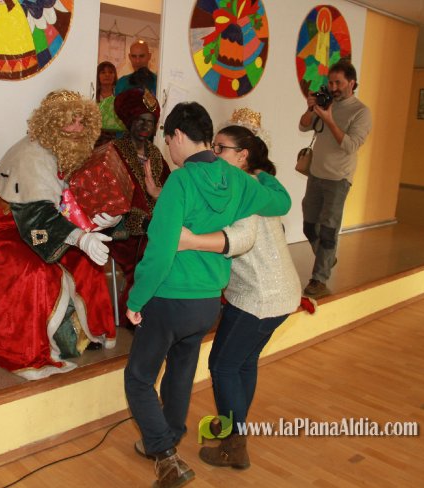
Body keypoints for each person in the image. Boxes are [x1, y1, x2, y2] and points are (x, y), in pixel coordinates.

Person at [123, 102, 291, 488]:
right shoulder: (235, 178)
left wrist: (135, 300)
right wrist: (259, 171)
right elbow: (281, 201)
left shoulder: (181, 181)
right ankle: (169, 434)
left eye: (168, 140)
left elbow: (160, 251)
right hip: (207, 303)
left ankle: (166, 458)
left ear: (179, 136)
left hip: (169, 297)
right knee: (181, 370)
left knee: (139, 378)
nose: (169, 149)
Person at [0, 90, 120, 380]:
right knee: (36, 274)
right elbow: (37, 215)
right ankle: (31, 346)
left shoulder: (70, 150)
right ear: (51, 123)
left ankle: (80, 337)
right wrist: (81, 238)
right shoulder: (31, 155)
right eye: (69, 120)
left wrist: (105, 219)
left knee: (87, 265)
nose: (77, 128)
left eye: (82, 121)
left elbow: (73, 200)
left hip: (38, 228)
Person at [177, 109, 302, 470]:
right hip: (281, 293)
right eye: (213, 146)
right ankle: (236, 429)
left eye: (221, 148)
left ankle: (234, 446)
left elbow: (241, 238)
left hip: (258, 297)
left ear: (243, 155)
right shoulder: (256, 184)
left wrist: (190, 240)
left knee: (222, 365)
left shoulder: (238, 190)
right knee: (243, 363)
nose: (214, 153)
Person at [299, 59, 371, 297]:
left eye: (338, 83)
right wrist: (311, 109)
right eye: (330, 83)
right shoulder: (326, 102)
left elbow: (350, 146)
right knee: (309, 225)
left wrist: (329, 119)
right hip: (316, 173)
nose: (333, 87)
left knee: (329, 229)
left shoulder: (361, 112)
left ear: (352, 83)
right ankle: (328, 257)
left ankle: (318, 279)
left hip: (338, 178)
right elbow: (303, 126)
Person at [109, 87, 170, 327]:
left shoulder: (155, 153)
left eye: (150, 121)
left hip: (155, 223)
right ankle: (135, 312)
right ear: (129, 121)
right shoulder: (114, 151)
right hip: (122, 226)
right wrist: (140, 220)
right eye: (140, 120)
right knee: (149, 253)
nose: (145, 126)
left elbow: (169, 190)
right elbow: (108, 197)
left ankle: (159, 310)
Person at [95, 61, 126, 146]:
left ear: (115, 75)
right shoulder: (93, 94)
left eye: (111, 72)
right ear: (97, 75)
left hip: (117, 136)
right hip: (96, 136)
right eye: (103, 72)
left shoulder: (120, 94)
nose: (107, 75)